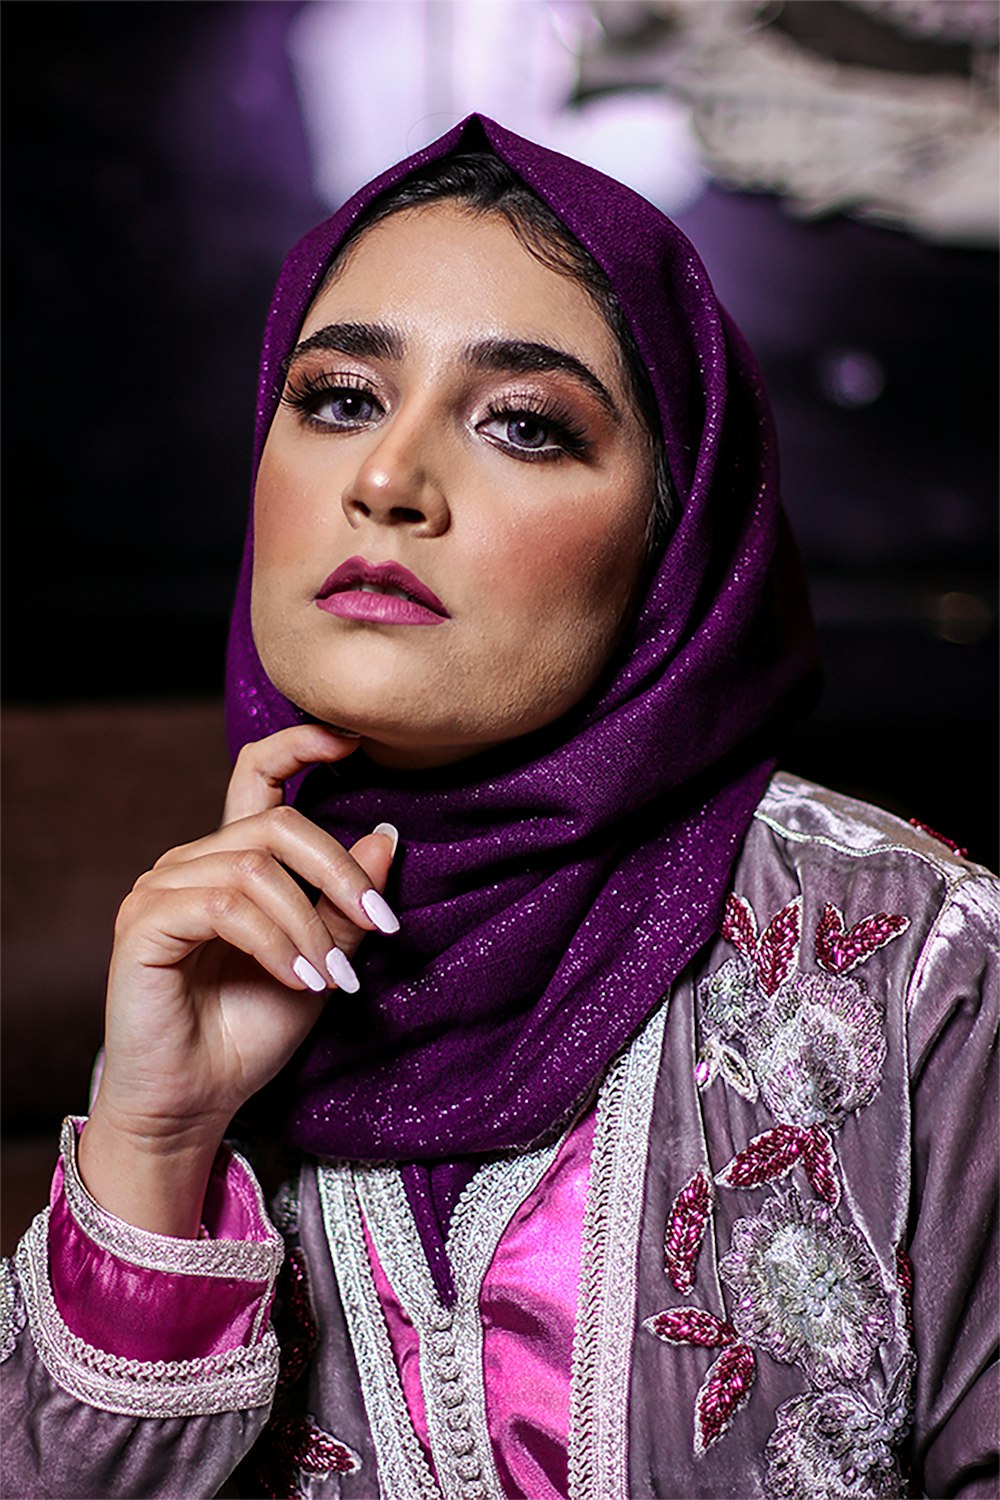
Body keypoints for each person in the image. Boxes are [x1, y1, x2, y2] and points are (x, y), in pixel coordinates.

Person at [2, 114, 996, 1500]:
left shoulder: (924, 966)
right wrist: (155, 1145)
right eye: (340, 397)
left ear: (674, 534)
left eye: (524, 424)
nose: (387, 483)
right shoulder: (201, 962)